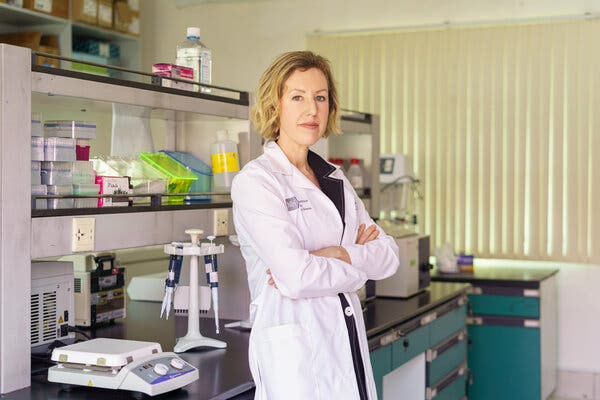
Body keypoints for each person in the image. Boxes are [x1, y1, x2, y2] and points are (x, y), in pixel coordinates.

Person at [231, 50, 399, 400]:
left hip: (346, 338)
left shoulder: (334, 178)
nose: (312, 110)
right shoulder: (257, 182)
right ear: (274, 106)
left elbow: (388, 256)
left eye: (320, 98)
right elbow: (296, 276)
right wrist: (357, 262)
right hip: (296, 356)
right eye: (298, 97)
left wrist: (334, 253)